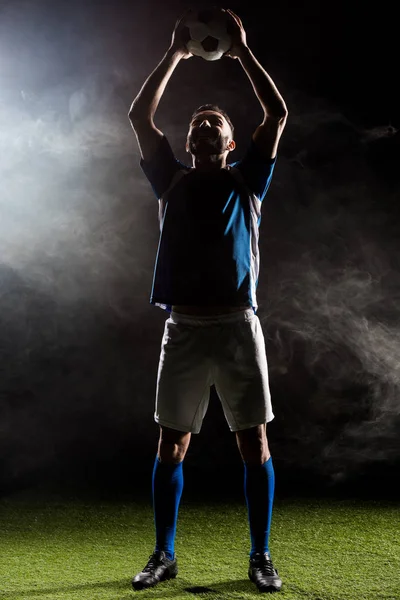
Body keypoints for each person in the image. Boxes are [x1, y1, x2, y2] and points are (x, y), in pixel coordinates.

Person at [128, 7, 288, 594]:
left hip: (238, 327)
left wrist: (242, 51)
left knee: (255, 441)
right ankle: (164, 554)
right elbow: (139, 116)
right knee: (172, 442)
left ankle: (260, 556)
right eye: (196, 121)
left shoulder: (249, 180)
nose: (203, 124)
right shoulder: (169, 178)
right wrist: (173, 53)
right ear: (189, 140)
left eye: (214, 120)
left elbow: (277, 114)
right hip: (185, 328)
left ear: (229, 140)